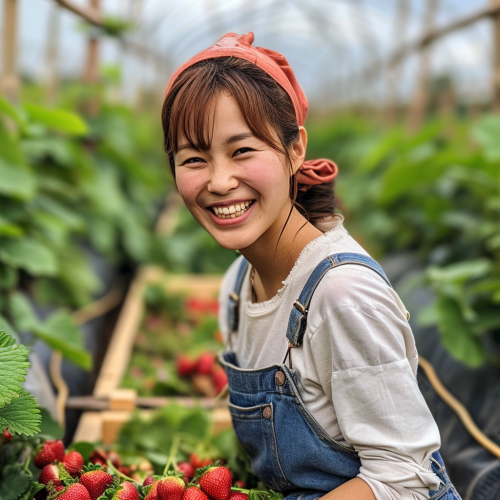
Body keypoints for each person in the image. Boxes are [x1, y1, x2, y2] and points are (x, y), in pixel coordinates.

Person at [161, 32, 461, 500]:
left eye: (243, 151)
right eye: (194, 159)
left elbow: (405, 479)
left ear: (295, 149)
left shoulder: (341, 296)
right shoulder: (238, 288)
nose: (219, 181)